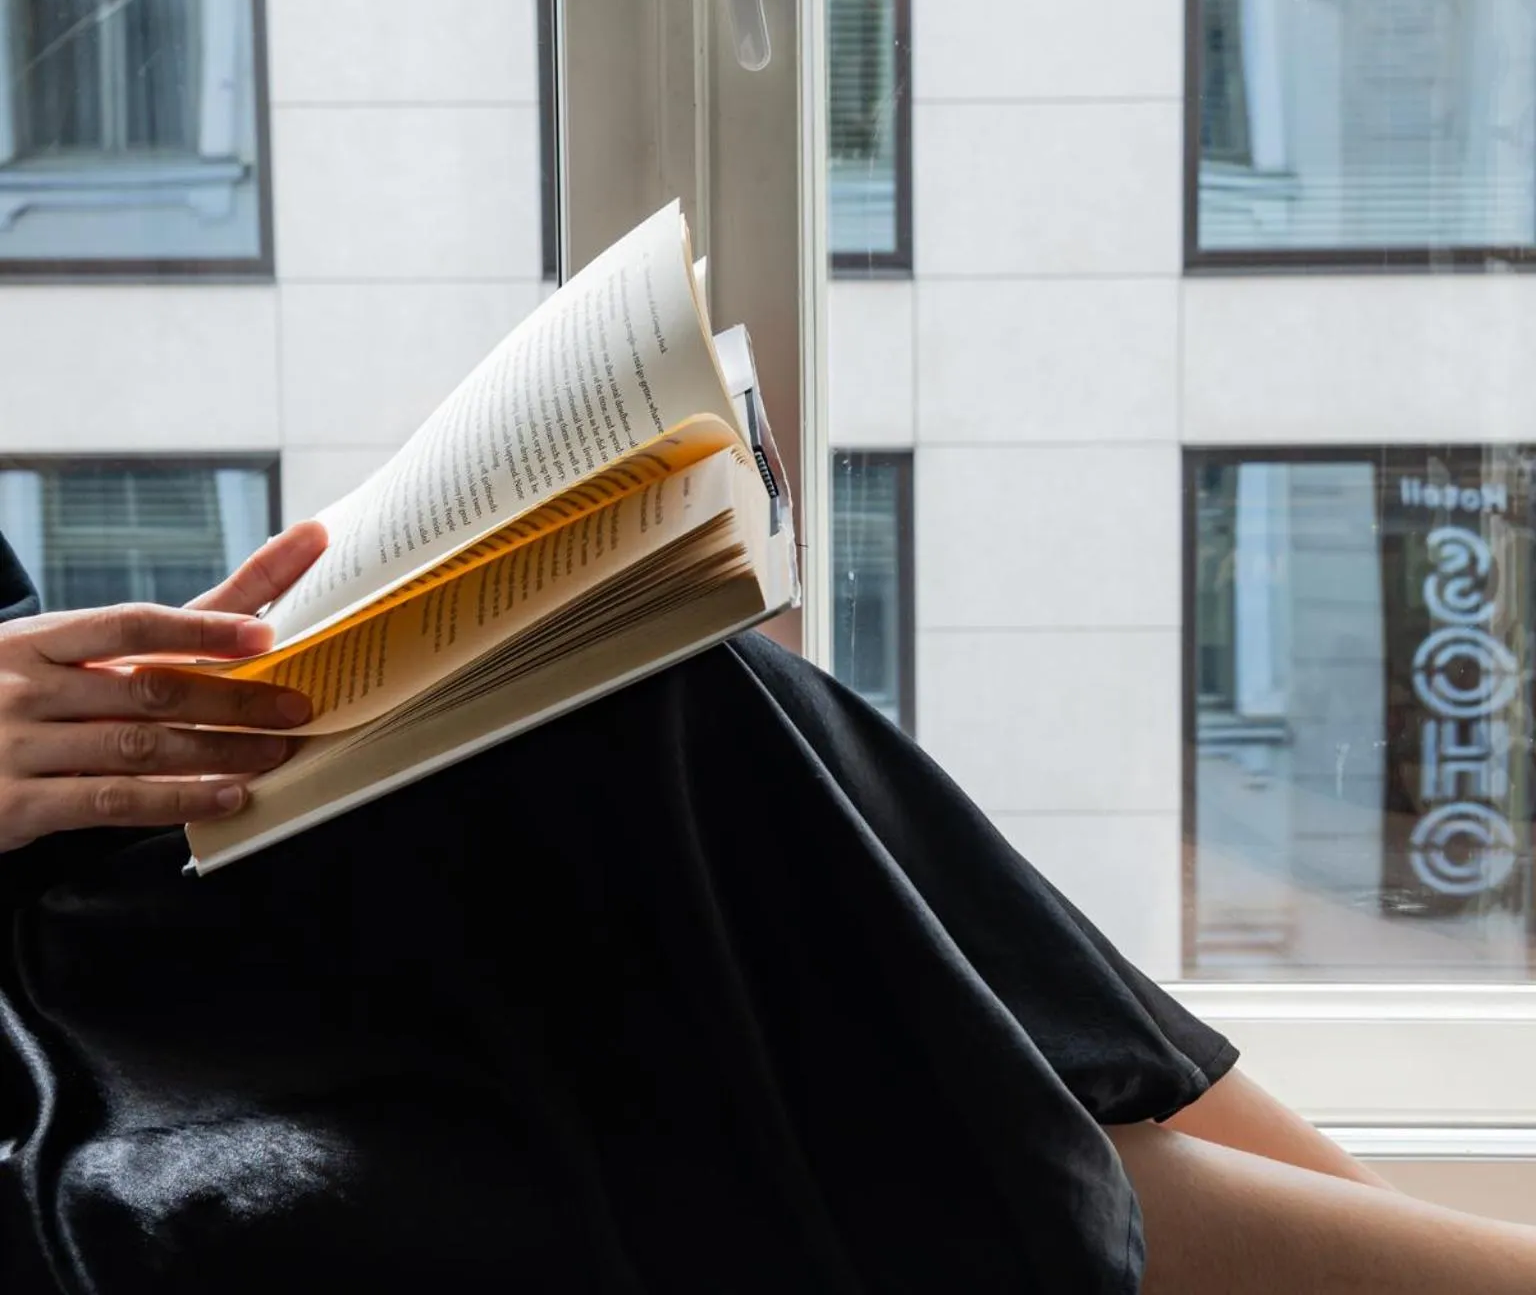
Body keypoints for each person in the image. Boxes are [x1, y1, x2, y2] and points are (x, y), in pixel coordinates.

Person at [1, 524, 1534, 1294]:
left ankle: (1387, 1253)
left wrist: (147, 673)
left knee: (642, 700)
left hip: (63, 857)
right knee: (755, 1070)